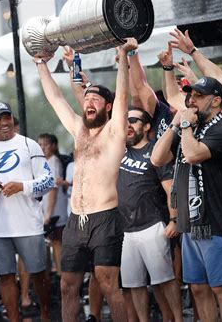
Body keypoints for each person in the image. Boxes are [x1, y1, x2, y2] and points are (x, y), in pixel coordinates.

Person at [35, 38, 138, 322]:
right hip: (75, 219)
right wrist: (41, 63)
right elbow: (55, 98)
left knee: (107, 283)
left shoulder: (114, 133)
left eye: (95, 99)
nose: (88, 101)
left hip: (105, 217)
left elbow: (124, 95)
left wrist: (122, 56)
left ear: (107, 107)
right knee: (67, 285)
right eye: (86, 97)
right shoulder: (79, 130)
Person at [151, 77, 222, 322]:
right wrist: (174, 126)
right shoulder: (190, 128)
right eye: (190, 96)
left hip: (215, 219)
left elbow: (193, 154)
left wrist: (186, 124)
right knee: (198, 287)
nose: (191, 101)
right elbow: (156, 159)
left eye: (198, 96)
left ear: (217, 100)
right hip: (190, 220)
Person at [0, 101, 54, 322]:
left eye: (7, 117)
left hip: (28, 223)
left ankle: (45, 313)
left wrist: (22, 186)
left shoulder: (28, 145)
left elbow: (48, 180)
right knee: (5, 276)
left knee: (38, 273)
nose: (4, 123)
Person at [119, 107, 183, 321]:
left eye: (134, 120)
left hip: (152, 225)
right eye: (125, 120)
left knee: (164, 280)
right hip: (126, 231)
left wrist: (174, 220)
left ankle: (177, 318)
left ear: (146, 126)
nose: (128, 124)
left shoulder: (156, 150)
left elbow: (171, 188)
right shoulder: (119, 151)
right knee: (134, 284)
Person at [37, 133, 68, 276]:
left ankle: (62, 274)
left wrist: (48, 214)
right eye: (40, 145)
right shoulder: (43, 163)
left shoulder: (54, 161)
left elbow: (54, 190)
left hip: (55, 211)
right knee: (52, 242)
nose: (42, 148)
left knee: (57, 243)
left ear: (53, 146)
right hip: (46, 210)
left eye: (46, 144)